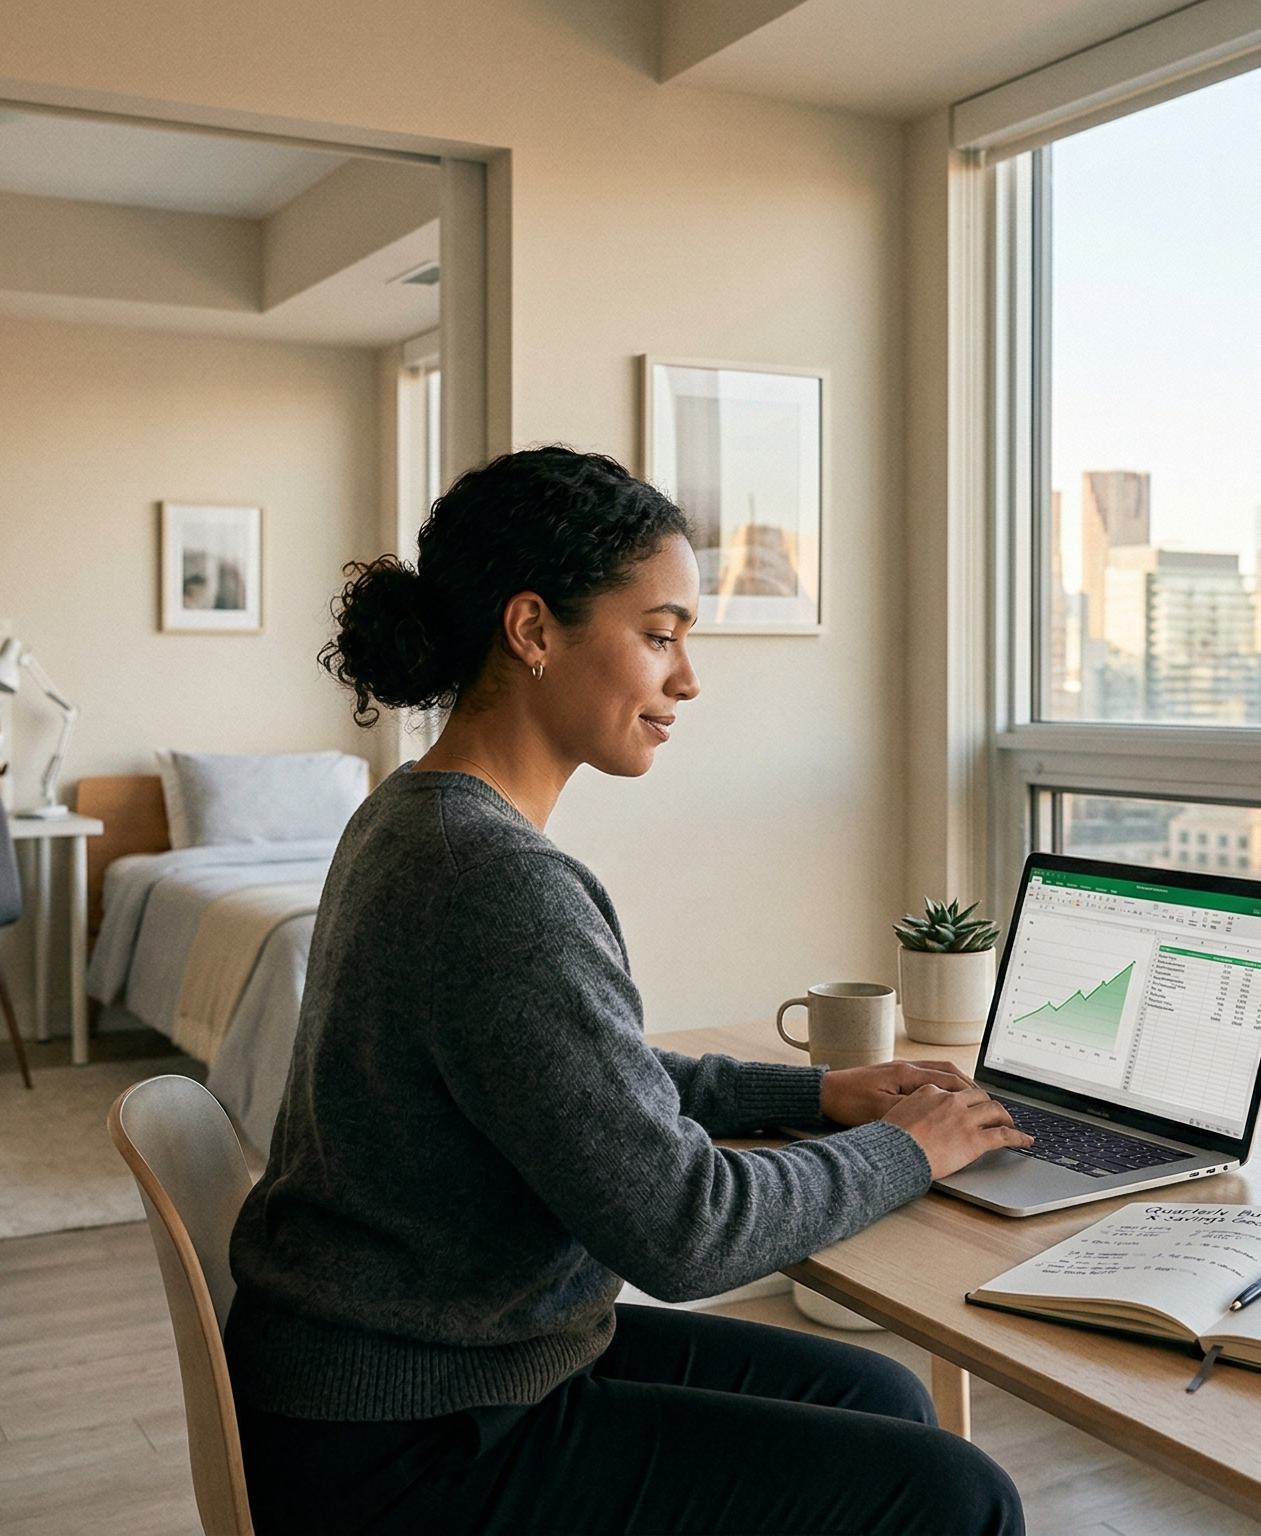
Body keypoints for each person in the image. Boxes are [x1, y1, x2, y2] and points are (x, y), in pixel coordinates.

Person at [227, 446, 1032, 1535]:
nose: (685, 680)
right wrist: (914, 1149)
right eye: (659, 636)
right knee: (956, 1495)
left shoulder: (413, 817)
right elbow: (685, 1231)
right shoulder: (495, 878)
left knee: (881, 1391)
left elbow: (572, 1078)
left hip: (412, 1374)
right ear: (532, 630)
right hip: (409, 1450)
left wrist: (812, 1096)